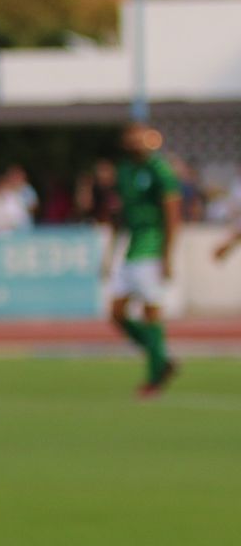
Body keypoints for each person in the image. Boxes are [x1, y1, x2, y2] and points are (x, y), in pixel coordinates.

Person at [103, 123, 181, 396]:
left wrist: (167, 255)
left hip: (151, 246)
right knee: (115, 312)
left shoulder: (160, 170)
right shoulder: (124, 171)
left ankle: (154, 379)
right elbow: (119, 214)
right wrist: (109, 253)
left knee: (151, 312)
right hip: (131, 247)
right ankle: (162, 358)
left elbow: (172, 214)